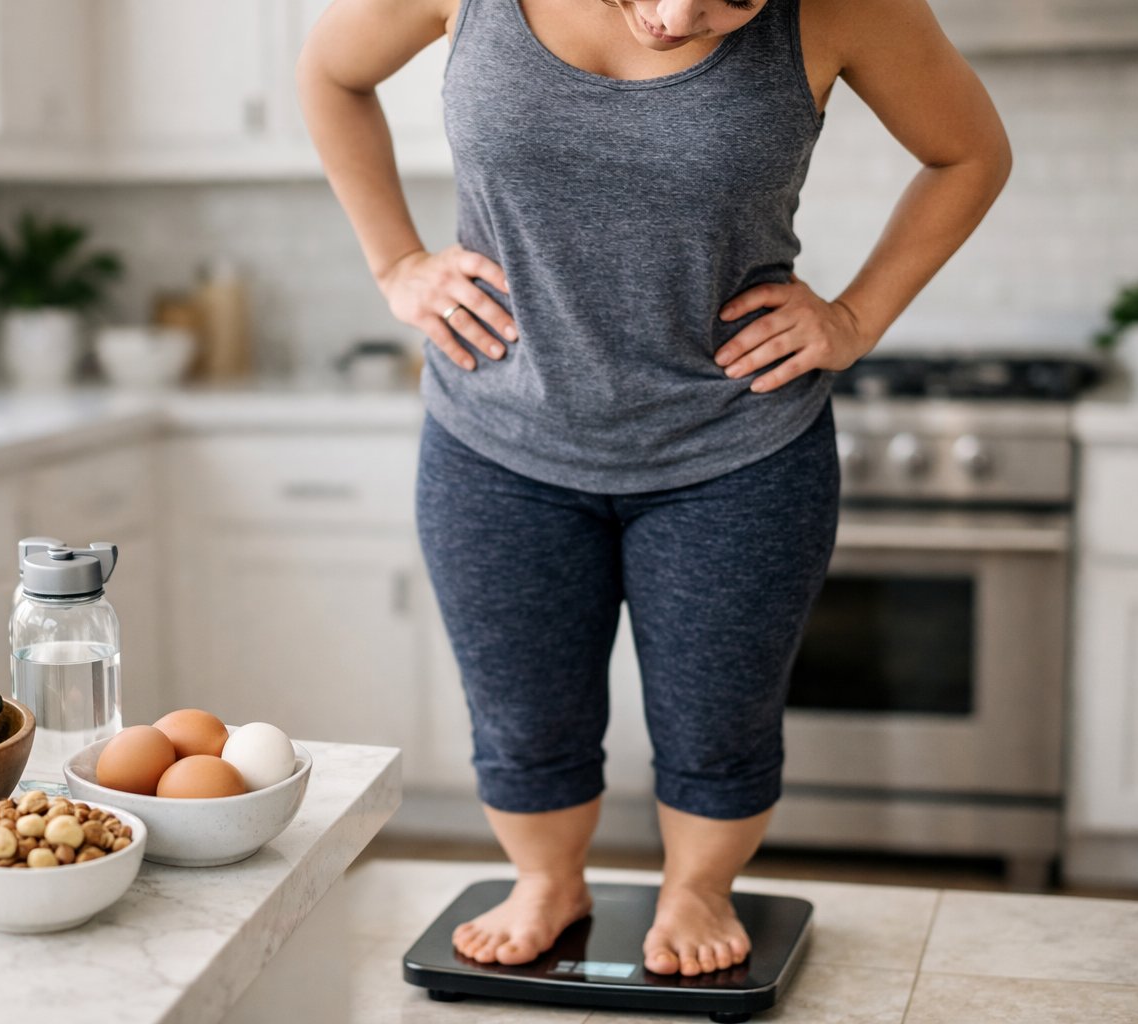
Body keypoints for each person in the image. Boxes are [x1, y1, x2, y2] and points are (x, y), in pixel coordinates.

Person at [297, 0, 1010, 977]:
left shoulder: (850, 6)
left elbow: (970, 154)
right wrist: (396, 262)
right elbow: (332, 76)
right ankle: (547, 881)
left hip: (737, 448)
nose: (675, 19)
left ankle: (698, 887)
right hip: (496, 441)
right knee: (522, 720)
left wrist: (854, 316)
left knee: (721, 726)